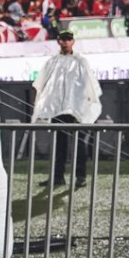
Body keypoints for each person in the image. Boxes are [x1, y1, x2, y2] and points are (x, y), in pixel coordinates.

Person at [31, 30, 103, 188]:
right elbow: (43, 84)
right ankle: (57, 177)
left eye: (68, 39)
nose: (65, 42)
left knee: (79, 145)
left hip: (76, 109)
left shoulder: (80, 61)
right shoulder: (53, 62)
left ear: (73, 42)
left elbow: (88, 84)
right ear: (58, 41)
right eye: (63, 39)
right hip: (58, 110)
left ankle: (80, 177)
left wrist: (83, 105)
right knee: (59, 145)